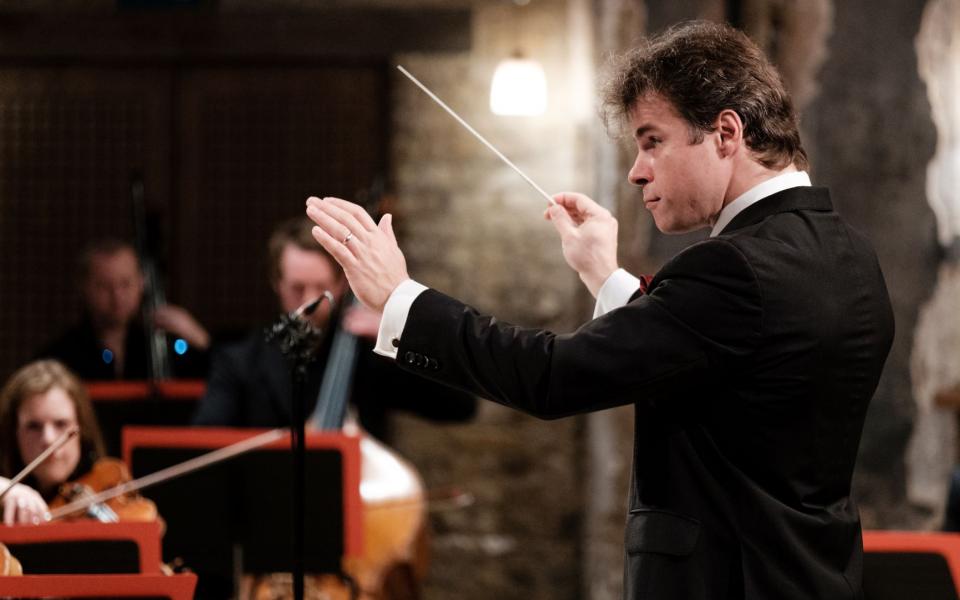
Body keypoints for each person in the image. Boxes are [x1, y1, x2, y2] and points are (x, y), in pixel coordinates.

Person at [306, 20, 894, 600]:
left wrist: (401, 299)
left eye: (651, 140)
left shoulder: (731, 268)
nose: (638, 171)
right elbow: (717, 362)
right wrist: (603, 275)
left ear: (725, 133)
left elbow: (552, 376)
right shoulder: (852, 257)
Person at [192, 217, 476, 441]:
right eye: (297, 288)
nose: (309, 302)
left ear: (341, 285)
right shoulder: (239, 361)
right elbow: (203, 444)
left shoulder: (368, 355)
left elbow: (460, 406)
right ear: (276, 282)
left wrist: (403, 335)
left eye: (321, 289)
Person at [37, 239, 210, 380]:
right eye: (104, 286)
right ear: (84, 287)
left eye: (125, 284)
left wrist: (200, 339)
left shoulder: (162, 346)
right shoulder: (61, 357)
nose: (117, 297)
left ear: (141, 283)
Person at [0, 360, 106, 525]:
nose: (48, 439)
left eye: (61, 424)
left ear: (82, 428)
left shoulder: (108, 488)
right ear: (13, 432)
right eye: (33, 426)